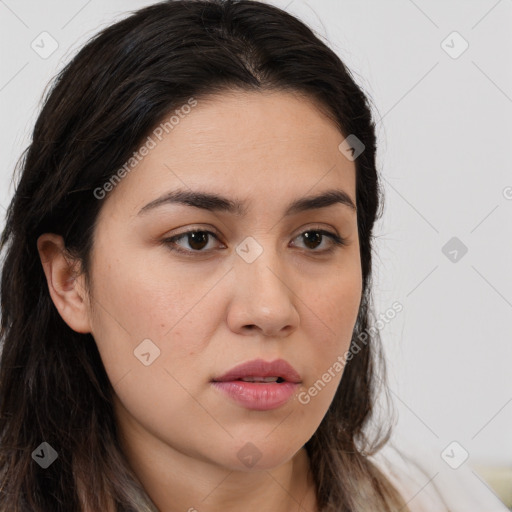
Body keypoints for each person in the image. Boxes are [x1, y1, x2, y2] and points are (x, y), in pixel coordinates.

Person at [0, 1, 507, 511]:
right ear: (70, 280)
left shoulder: (448, 499)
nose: (270, 310)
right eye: (196, 239)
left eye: (313, 238)